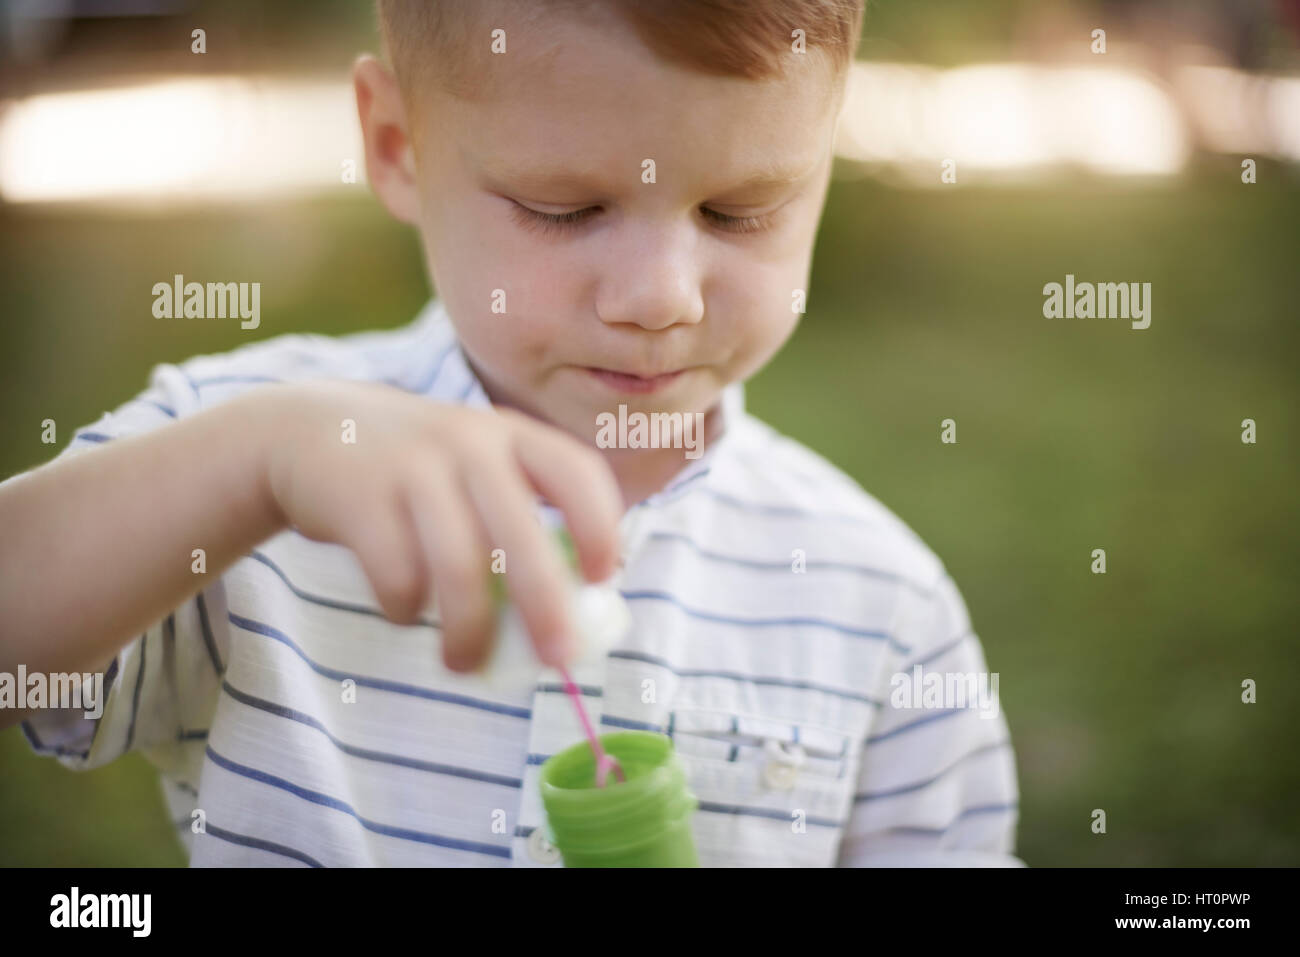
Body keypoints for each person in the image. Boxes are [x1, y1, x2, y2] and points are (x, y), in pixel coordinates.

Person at [0, 0, 1021, 867]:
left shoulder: (880, 601)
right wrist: (250, 467)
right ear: (397, 149)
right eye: (563, 207)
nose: (657, 298)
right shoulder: (234, 474)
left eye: (740, 211)